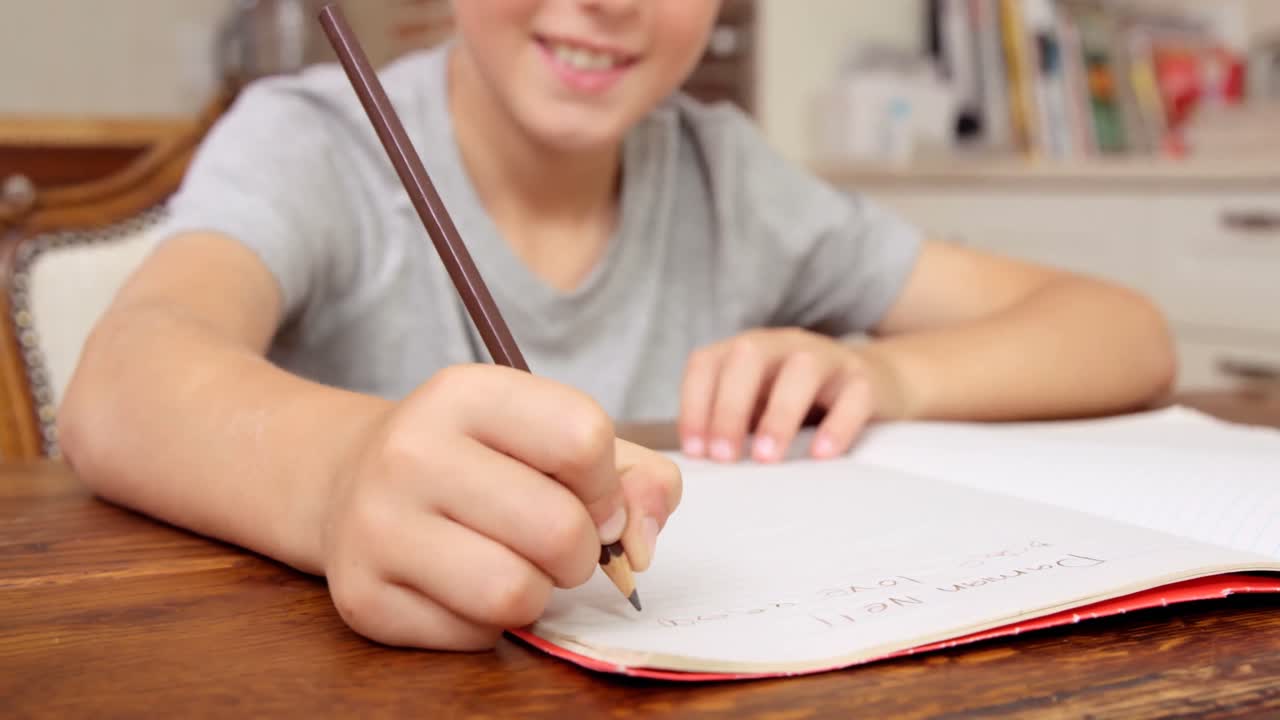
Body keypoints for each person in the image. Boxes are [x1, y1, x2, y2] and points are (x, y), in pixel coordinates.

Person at [58, 0, 1175, 652]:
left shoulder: (723, 174)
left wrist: (883, 373)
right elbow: (121, 385)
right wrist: (340, 474)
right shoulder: (317, 142)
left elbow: (1120, 330)